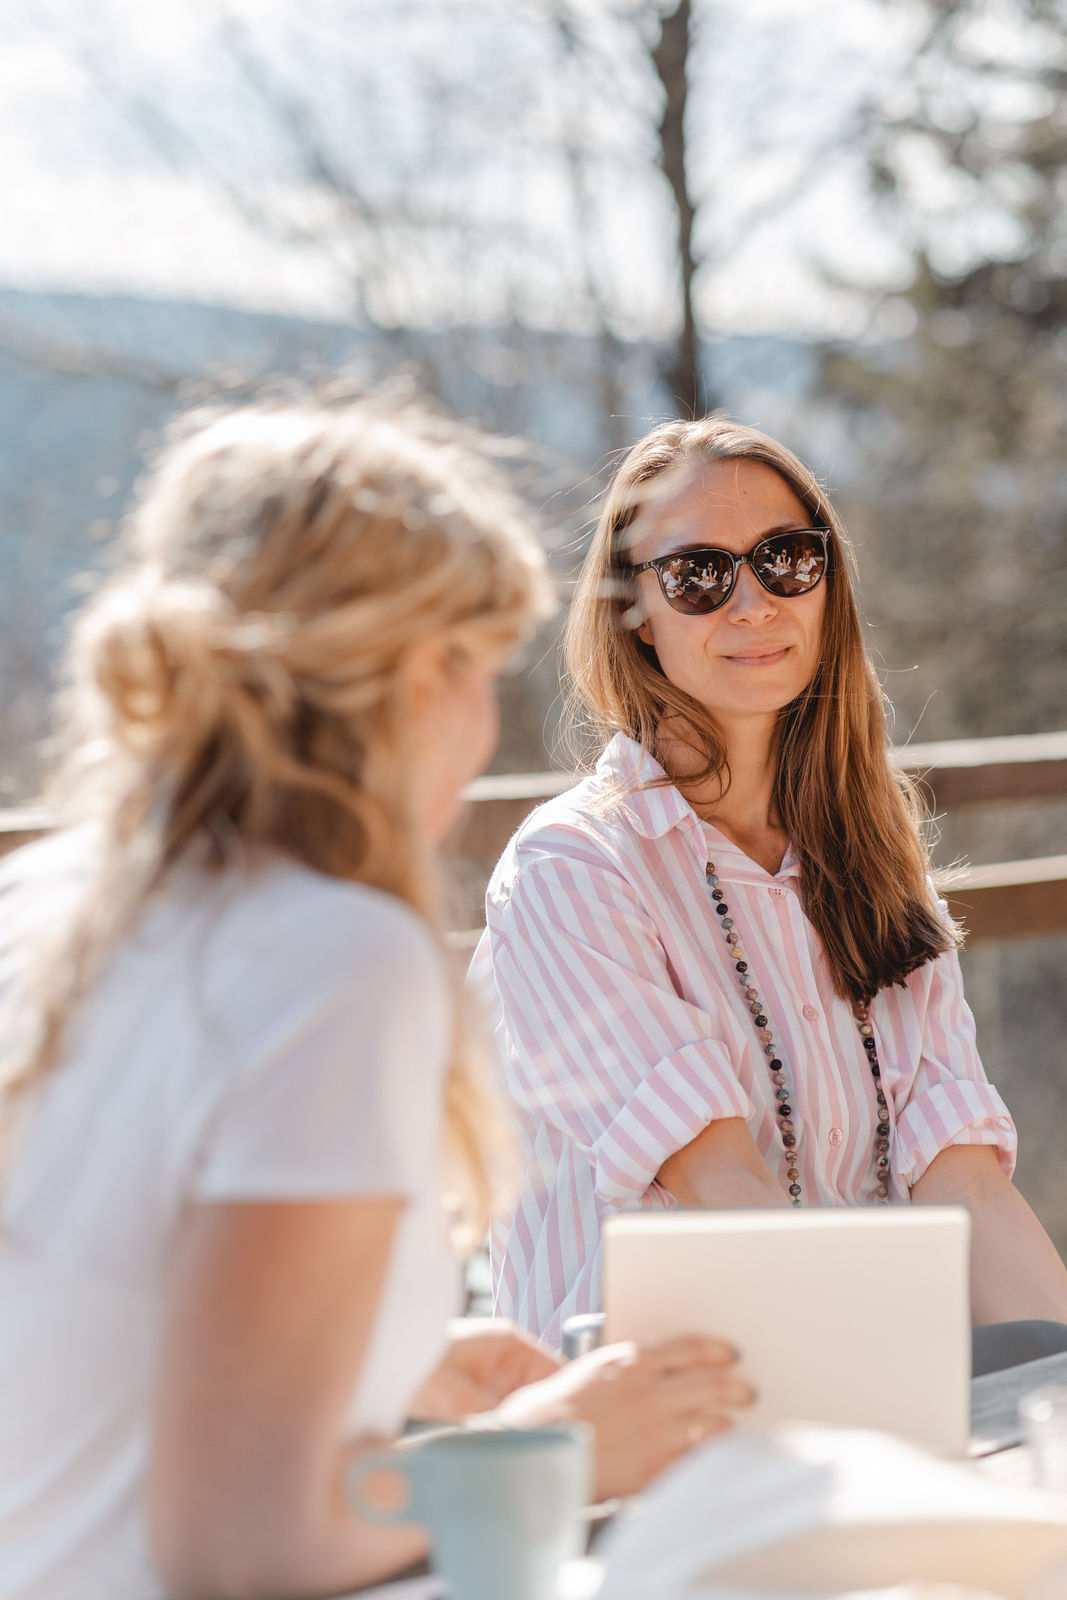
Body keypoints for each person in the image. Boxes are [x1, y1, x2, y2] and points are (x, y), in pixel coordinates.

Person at [0, 400, 751, 1600]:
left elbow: (99, 1334)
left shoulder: (44, 904)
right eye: (480, 673)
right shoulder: (329, 953)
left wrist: (381, 1369)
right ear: (418, 679)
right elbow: (242, 1537)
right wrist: (561, 1447)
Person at [472, 415, 1067, 1349]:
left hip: (854, 1377)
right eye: (699, 576)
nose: (752, 604)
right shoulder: (571, 871)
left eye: (786, 558)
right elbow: (725, 1191)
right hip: (652, 1425)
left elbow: (967, 1187)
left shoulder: (874, 864)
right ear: (634, 613)